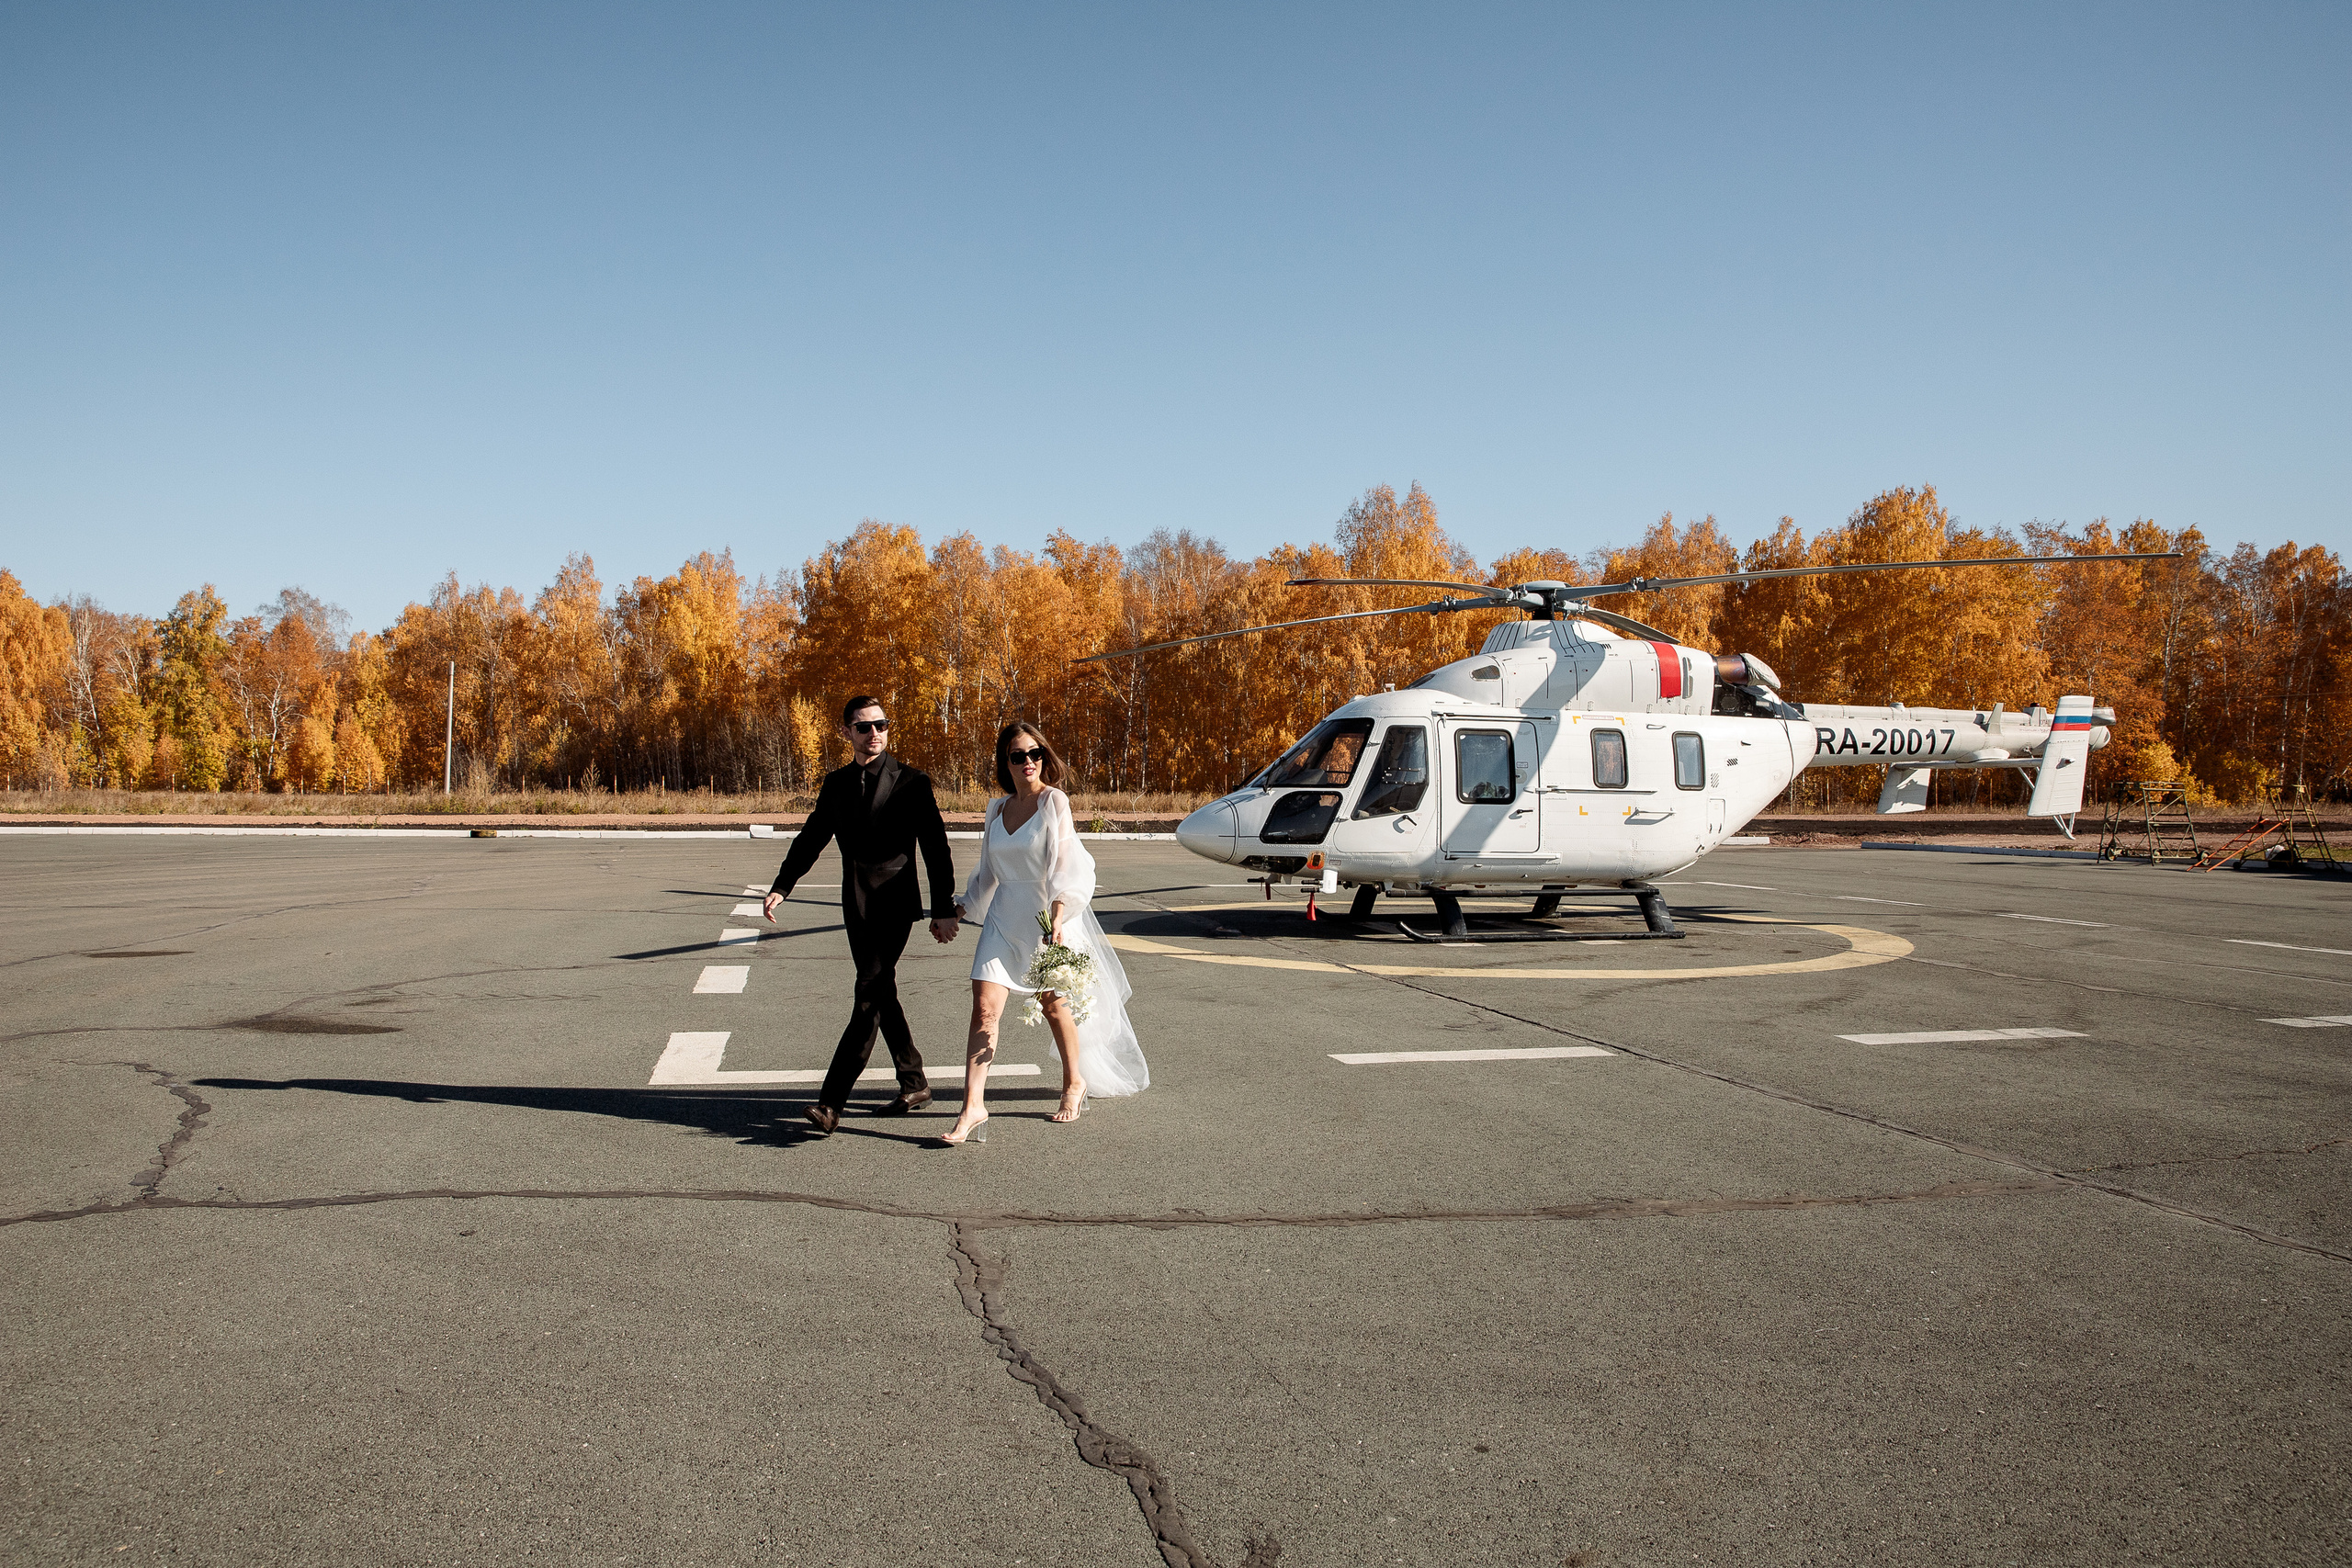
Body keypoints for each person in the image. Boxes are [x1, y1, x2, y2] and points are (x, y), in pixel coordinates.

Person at [937, 721, 1148, 1145]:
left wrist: (1059, 915)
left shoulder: (1055, 802)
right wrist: (959, 909)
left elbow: (1068, 864)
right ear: (1006, 762)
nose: (1029, 762)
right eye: (1019, 755)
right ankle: (973, 1106)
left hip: (1044, 917)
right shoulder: (995, 810)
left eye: (1035, 754)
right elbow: (987, 873)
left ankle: (1074, 1082)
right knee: (984, 1010)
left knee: (1054, 1006)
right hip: (1001, 919)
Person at [763, 695, 959, 1134]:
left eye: (881, 725)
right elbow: (812, 837)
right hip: (856, 903)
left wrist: (943, 907)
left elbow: (936, 848)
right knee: (881, 989)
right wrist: (783, 884)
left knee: (868, 993)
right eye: (864, 727)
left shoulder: (912, 781)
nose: (874, 733)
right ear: (847, 733)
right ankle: (914, 1080)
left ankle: (831, 1103)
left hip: (894, 904)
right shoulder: (836, 785)